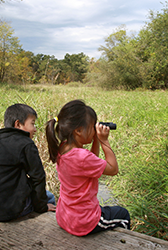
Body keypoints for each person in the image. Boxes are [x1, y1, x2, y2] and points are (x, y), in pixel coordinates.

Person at [45, 100, 130, 236]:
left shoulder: (63, 147)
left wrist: (95, 138)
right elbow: (113, 169)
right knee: (123, 214)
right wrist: (104, 141)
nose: (93, 130)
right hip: (83, 221)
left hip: (65, 216)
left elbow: (90, 163)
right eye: (91, 127)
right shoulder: (81, 157)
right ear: (78, 130)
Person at [0, 103, 56, 222]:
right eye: (32, 123)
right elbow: (38, 177)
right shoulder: (26, 143)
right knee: (50, 197)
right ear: (18, 124)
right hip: (4, 211)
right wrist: (42, 207)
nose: (35, 129)